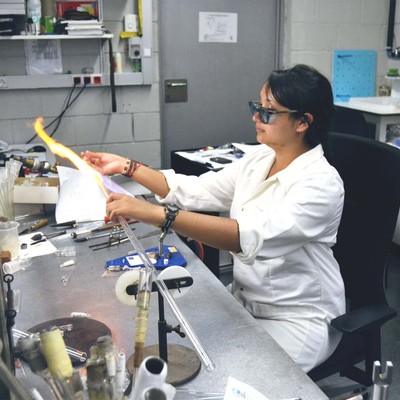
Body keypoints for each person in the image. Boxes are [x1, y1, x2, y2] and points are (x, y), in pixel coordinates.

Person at [82, 64, 345, 372]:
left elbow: (246, 236)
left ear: (303, 122)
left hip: (297, 320)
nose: (256, 117)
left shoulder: (321, 184)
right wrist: (128, 166)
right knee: (191, 361)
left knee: (236, 382)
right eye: (257, 106)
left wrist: (157, 215)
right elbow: (196, 190)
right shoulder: (261, 159)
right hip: (244, 303)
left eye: (269, 111)